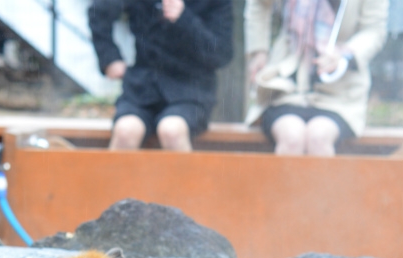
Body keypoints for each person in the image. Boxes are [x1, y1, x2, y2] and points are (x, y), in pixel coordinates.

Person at [244, 0, 389, 155]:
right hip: (285, 87)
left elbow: (374, 30)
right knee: (291, 138)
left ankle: (323, 180)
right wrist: (259, 50)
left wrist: (344, 56)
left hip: (339, 94)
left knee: (319, 138)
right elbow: (259, 3)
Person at [88, 0, 233, 151]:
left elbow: (221, 54)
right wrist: (110, 58)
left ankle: (184, 176)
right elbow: (99, 11)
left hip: (191, 91)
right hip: (142, 88)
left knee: (172, 131)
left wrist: (184, 18)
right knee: (126, 131)